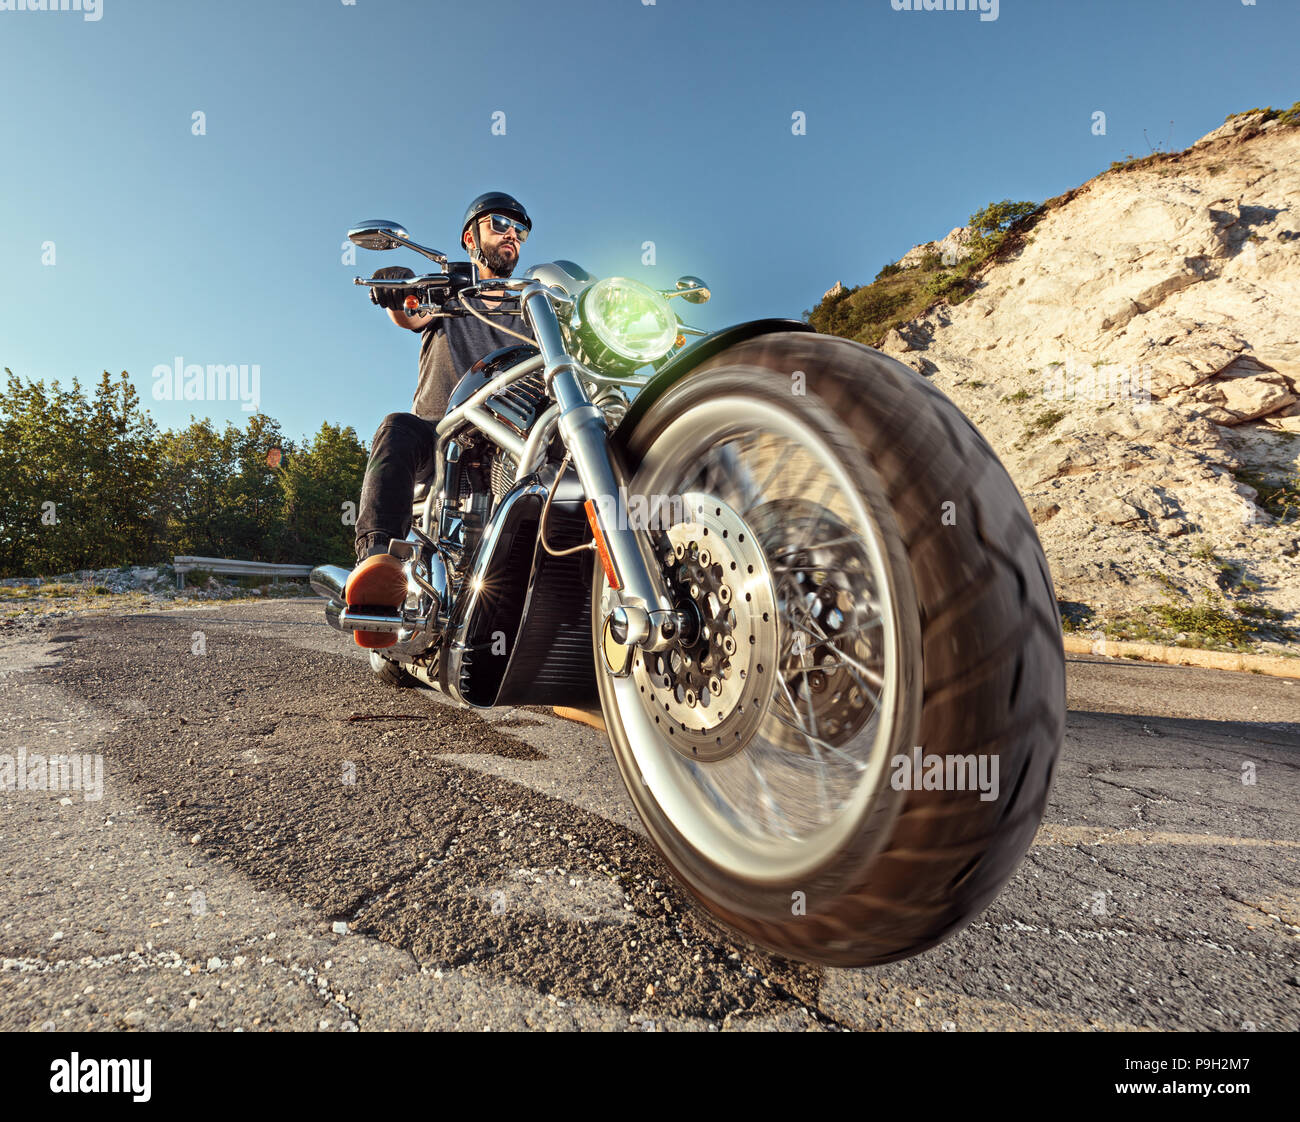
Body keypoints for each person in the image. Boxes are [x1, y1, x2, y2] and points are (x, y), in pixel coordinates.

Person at [344, 191, 535, 648]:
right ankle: (377, 566)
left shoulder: (535, 310)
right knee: (396, 428)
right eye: (500, 225)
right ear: (471, 237)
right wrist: (399, 290)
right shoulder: (449, 295)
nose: (512, 235)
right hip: (442, 434)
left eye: (520, 231)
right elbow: (409, 314)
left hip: (514, 438)